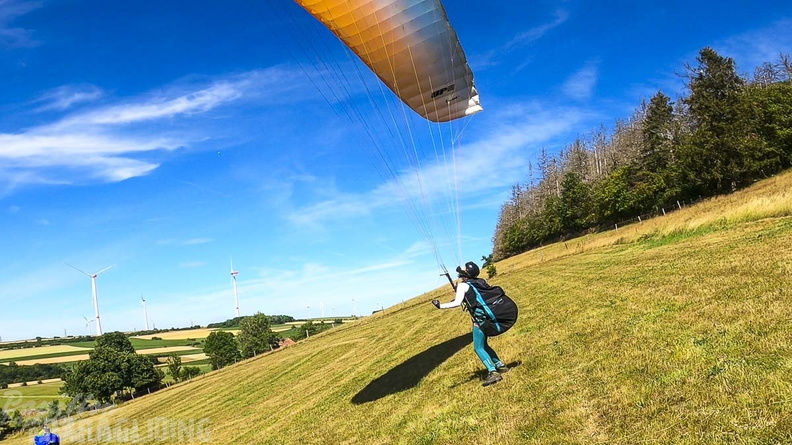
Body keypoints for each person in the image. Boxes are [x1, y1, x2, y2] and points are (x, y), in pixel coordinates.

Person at [431, 261, 509, 386]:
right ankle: (501, 366)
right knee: (484, 345)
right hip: (487, 317)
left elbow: (457, 303)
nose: (459, 276)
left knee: (478, 347)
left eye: (460, 274)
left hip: (480, 320)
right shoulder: (480, 281)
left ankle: (493, 372)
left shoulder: (463, 286)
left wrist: (440, 306)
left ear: (464, 275)